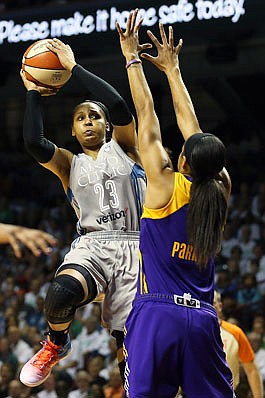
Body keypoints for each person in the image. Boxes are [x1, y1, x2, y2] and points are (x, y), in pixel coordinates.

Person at [117, 9, 235, 397]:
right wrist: (173, 71)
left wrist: (134, 59)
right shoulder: (220, 189)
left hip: (158, 315)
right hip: (202, 321)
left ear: (183, 161)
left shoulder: (165, 183)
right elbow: (197, 134)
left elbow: (146, 116)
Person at [19, 37, 147, 387]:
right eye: (81, 118)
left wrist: (73, 69)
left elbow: (120, 105)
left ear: (107, 126)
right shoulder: (68, 163)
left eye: (95, 116)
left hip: (135, 247)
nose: (89, 121)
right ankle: (56, 343)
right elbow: (33, 142)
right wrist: (32, 91)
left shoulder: (125, 147)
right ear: (73, 129)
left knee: (131, 354)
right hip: (92, 246)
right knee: (60, 294)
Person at [214, 290, 263, 397]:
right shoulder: (189, 333)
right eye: (205, 303)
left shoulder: (235, 332)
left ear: (220, 306)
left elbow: (251, 370)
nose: (209, 307)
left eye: (212, 303)